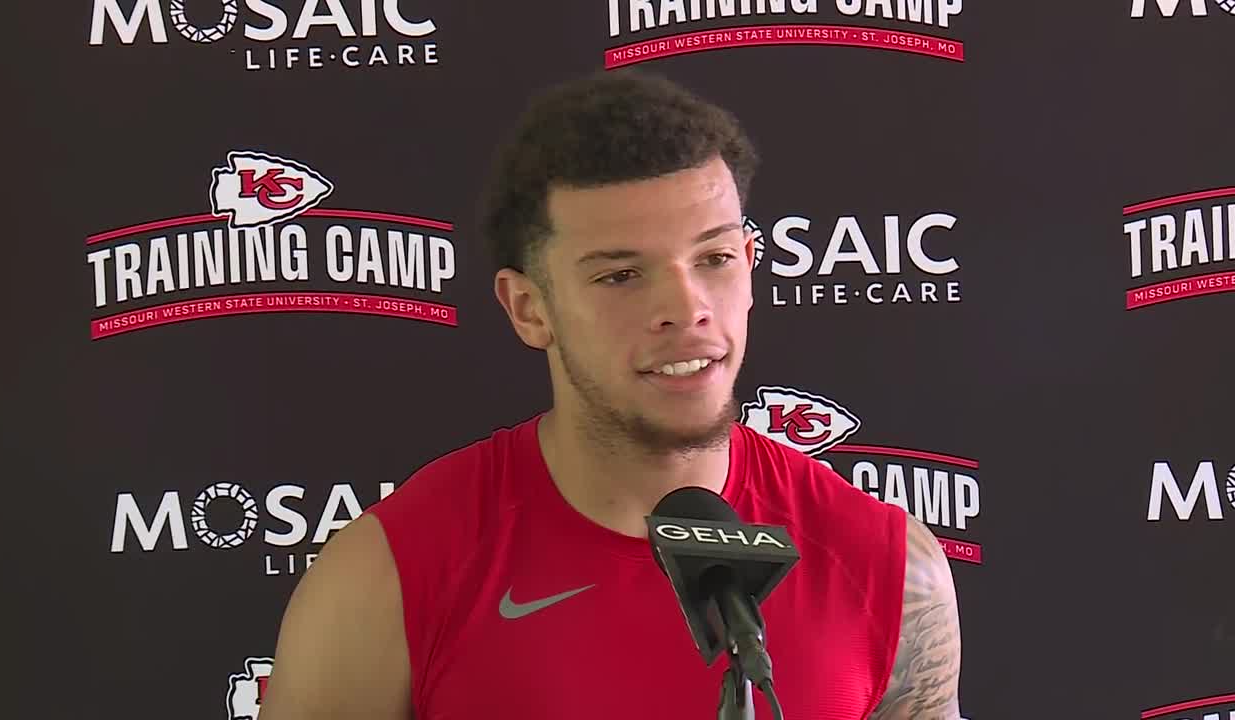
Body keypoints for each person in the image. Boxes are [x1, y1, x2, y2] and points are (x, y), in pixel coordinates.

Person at [258, 69, 962, 720]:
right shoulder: (389, 576)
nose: (687, 309)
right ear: (529, 308)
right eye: (622, 276)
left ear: (749, 268)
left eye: (714, 259)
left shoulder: (891, 568)